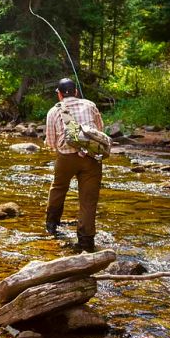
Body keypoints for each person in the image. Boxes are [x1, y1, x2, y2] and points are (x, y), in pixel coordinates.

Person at [44, 78, 104, 253]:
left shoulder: (54, 111)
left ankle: (52, 225)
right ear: (76, 92)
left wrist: (66, 149)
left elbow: (51, 142)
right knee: (88, 200)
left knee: (58, 188)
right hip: (92, 158)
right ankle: (86, 241)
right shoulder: (90, 105)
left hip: (66, 158)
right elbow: (100, 131)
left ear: (59, 94)